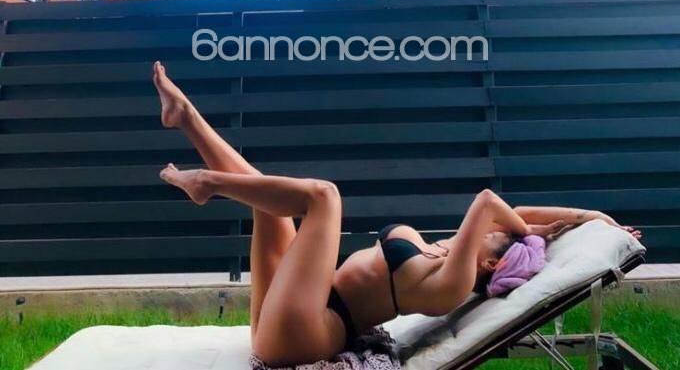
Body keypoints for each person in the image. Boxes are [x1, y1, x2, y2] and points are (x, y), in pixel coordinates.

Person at [152, 61, 641, 368]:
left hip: (304, 334)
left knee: (324, 197)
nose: (496, 230)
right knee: (272, 208)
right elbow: (514, 214)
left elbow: (490, 202)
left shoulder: (453, 283)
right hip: (288, 320)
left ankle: (208, 183)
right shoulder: (451, 254)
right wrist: (588, 215)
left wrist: (526, 233)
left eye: (499, 238)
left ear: (493, 262)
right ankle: (187, 117)